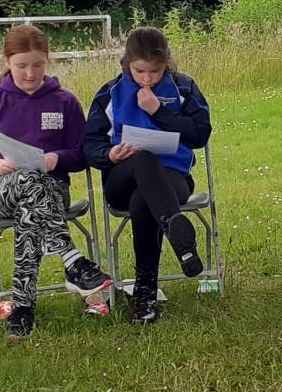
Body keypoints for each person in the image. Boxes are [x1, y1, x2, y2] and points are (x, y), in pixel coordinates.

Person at [0, 23, 112, 339]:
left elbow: (82, 153)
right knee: (28, 179)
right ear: (6, 62)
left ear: (47, 61)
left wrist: (56, 158)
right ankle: (72, 260)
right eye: (21, 66)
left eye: (37, 65)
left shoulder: (64, 101)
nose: (30, 73)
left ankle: (23, 309)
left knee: (31, 211)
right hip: (2, 188)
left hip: (52, 190)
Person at [83, 26, 212, 326]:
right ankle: (174, 226)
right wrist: (109, 154)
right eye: (139, 71)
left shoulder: (183, 88)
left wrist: (160, 113)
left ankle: (145, 294)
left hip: (171, 176)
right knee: (142, 158)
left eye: (155, 71)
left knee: (144, 202)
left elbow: (200, 135)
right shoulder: (110, 93)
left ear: (166, 62)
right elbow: (89, 144)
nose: (147, 79)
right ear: (126, 63)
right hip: (122, 178)